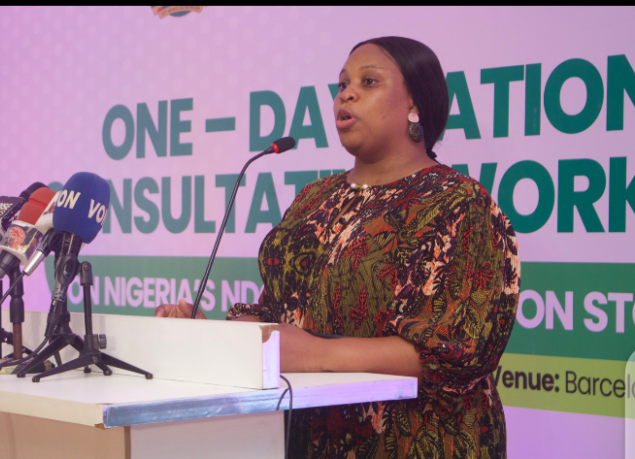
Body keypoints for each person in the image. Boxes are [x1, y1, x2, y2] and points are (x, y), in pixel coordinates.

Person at [156, 36, 520, 459]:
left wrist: (315, 354)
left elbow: (457, 351)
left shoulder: (459, 203)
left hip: (415, 440)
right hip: (306, 438)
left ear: (415, 104)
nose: (346, 93)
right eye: (343, 83)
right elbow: (281, 314)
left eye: (368, 82)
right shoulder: (315, 197)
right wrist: (215, 336)